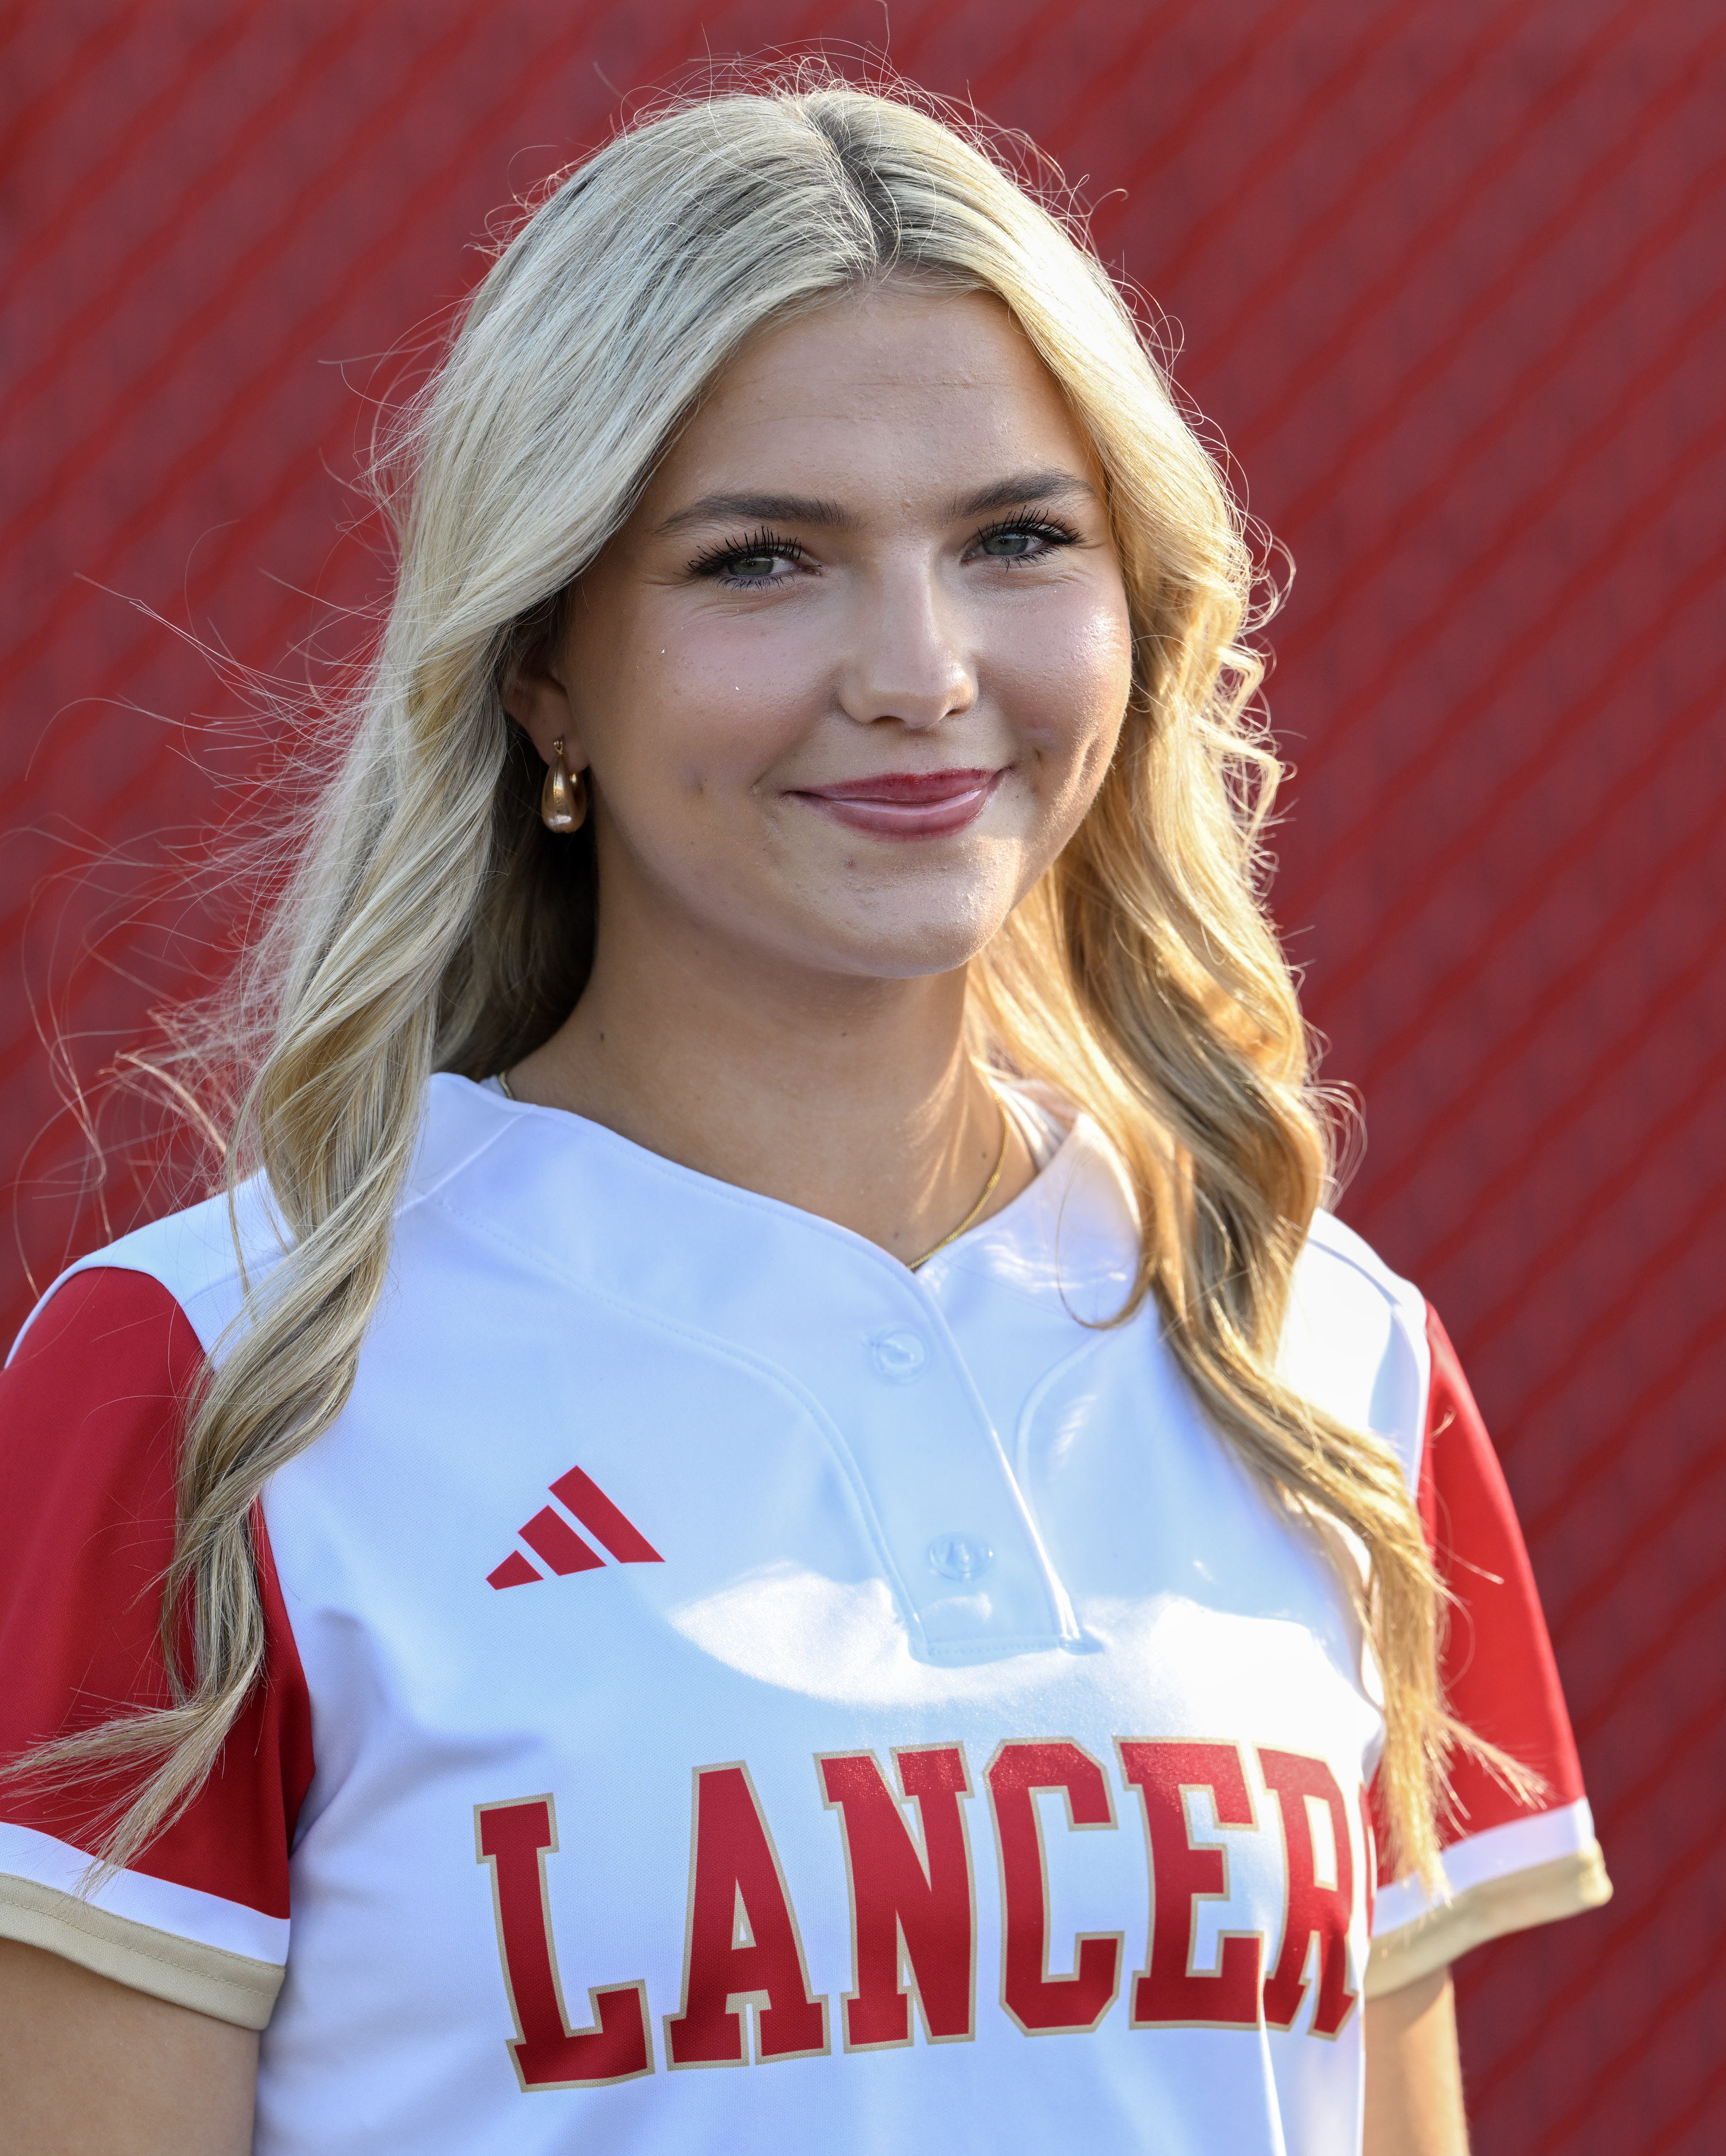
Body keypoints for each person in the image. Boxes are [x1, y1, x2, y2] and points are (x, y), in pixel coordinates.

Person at [0, 78, 1608, 2156]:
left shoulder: (1317, 1353)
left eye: (1019, 539)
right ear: (542, 677)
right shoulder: (211, 1377)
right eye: (761, 562)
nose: (923, 672)